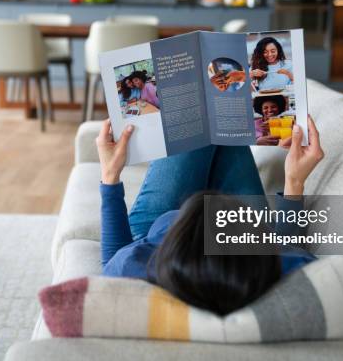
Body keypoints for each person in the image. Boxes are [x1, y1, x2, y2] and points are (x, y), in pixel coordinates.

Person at [96, 116, 324, 316]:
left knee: (195, 117)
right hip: (248, 229)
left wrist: (110, 173)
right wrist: (294, 181)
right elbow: (287, 247)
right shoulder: (286, 271)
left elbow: (111, 262)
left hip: (156, 227)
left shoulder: (137, 267)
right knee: (220, 118)